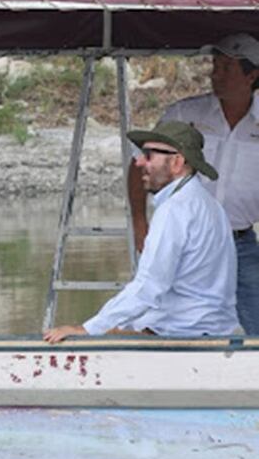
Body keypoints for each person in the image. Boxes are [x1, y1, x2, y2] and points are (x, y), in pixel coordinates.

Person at [46, 122, 238, 342]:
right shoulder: (207, 203)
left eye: (148, 155)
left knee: (88, 337)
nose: (138, 162)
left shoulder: (175, 210)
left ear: (176, 162)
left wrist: (88, 328)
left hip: (182, 329)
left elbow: (149, 286)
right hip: (212, 326)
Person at [128, 34, 259, 334]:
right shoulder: (184, 114)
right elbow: (140, 165)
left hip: (241, 243)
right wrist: (139, 222)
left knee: (257, 331)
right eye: (215, 65)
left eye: (227, 67)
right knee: (158, 324)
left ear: (252, 75)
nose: (216, 74)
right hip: (186, 243)